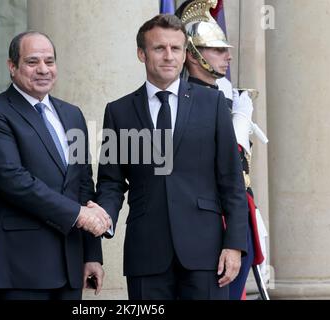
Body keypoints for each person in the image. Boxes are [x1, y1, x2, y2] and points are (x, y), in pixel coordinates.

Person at [96, 14, 248, 300]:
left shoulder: (212, 103)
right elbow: (111, 182)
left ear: (185, 54)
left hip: (208, 254)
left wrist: (235, 244)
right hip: (146, 253)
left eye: (176, 49)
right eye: (159, 48)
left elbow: (231, 180)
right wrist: (104, 219)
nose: (168, 56)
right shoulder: (118, 112)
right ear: (142, 53)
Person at [0, 31, 111, 300]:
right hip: (21, 265)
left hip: (70, 264)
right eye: (32, 62)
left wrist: (92, 255)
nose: (43, 69)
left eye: (50, 61)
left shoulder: (72, 115)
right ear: (12, 67)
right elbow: (14, 181)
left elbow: (83, 183)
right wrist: (79, 215)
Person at [175, 0, 269, 299]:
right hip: (210, 223)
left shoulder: (222, 96)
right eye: (217, 49)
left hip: (240, 215)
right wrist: (239, 127)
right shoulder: (182, 103)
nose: (227, 56)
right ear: (193, 55)